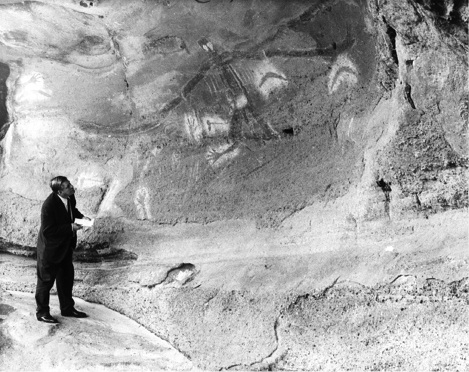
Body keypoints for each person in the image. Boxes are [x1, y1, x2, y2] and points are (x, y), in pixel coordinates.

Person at [35, 176, 90, 323]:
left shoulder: (70, 197)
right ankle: (42, 313)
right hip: (50, 250)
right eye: (67, 186)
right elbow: (48, 230)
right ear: (60, 191)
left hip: (65, 247)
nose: (72, 187)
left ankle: (67, 308)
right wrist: (70, 227)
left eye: (70, 184)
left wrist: (82, 217)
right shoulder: (49, 205)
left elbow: (72, 211)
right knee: (45, 282)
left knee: (66, 279)